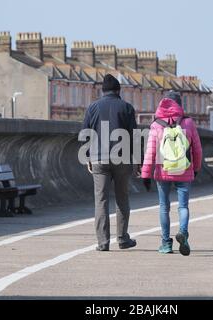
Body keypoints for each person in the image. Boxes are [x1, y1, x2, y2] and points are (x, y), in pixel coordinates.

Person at [140, 91, 202, 256]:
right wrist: (196, 168)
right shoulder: (188, 123)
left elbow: (150, 152)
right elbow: (197, 149)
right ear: (179, 105)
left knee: (164, 207)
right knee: (183, 206)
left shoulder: (156, 124)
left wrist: (145, 175)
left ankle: (166, 243)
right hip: (184, 169)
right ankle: (183, 233)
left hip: (163, 170)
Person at [82, 74, 137, 252]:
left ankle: (103, 242)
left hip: (99, 158)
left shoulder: (93, 107)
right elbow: (135, 137)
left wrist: (88, 156)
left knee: (101, 200)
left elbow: (85, 134)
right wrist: (136, 161)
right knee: (122, 199)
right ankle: (122, 239)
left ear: (102, 91)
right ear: (118, 90)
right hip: (122, 158)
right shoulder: (127, 108)